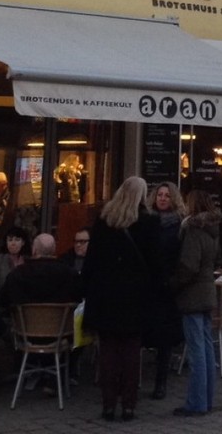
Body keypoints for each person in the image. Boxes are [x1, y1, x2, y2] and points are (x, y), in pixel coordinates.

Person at [82, 176, 160, 422]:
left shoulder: (104, 221)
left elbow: (91, 261)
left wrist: (88, 290)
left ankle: (108, 404)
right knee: (130, 352)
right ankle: (128, 404)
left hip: (106, 296)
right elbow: (155, 263)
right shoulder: (148, 222)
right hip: (135, 297)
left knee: (108, 351)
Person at [171, 189, 222, 418]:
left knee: (196, 349)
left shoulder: (193, 229)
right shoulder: (213, 230)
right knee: (207, 347)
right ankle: (207, 399)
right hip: (207, 293)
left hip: (192, 294)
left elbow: (188, 266)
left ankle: (196, 403)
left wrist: (174, 283)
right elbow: (216, 262)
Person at [144, 182, 185, 400]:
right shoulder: (146, 221)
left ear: (173, 199)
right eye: (159, 195)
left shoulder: (179, 224)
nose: (162, 198)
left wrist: (174, 280)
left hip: (167, 286)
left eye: (166, 196)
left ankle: (161, 382)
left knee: (164, 337)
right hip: (148, 283)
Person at [0, 232, 82, 310]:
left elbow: (2, 301)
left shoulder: (17, 274)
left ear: (34, 250)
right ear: (54, 250)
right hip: (60, 325)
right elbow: (78, 300)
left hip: (25, 325)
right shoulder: (70, 274)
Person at [0, 226, 30, 295]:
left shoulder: (28, 261)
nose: (13, 243)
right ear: (6, 242)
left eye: (17, 240)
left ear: (23, 243)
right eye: (10, 240)